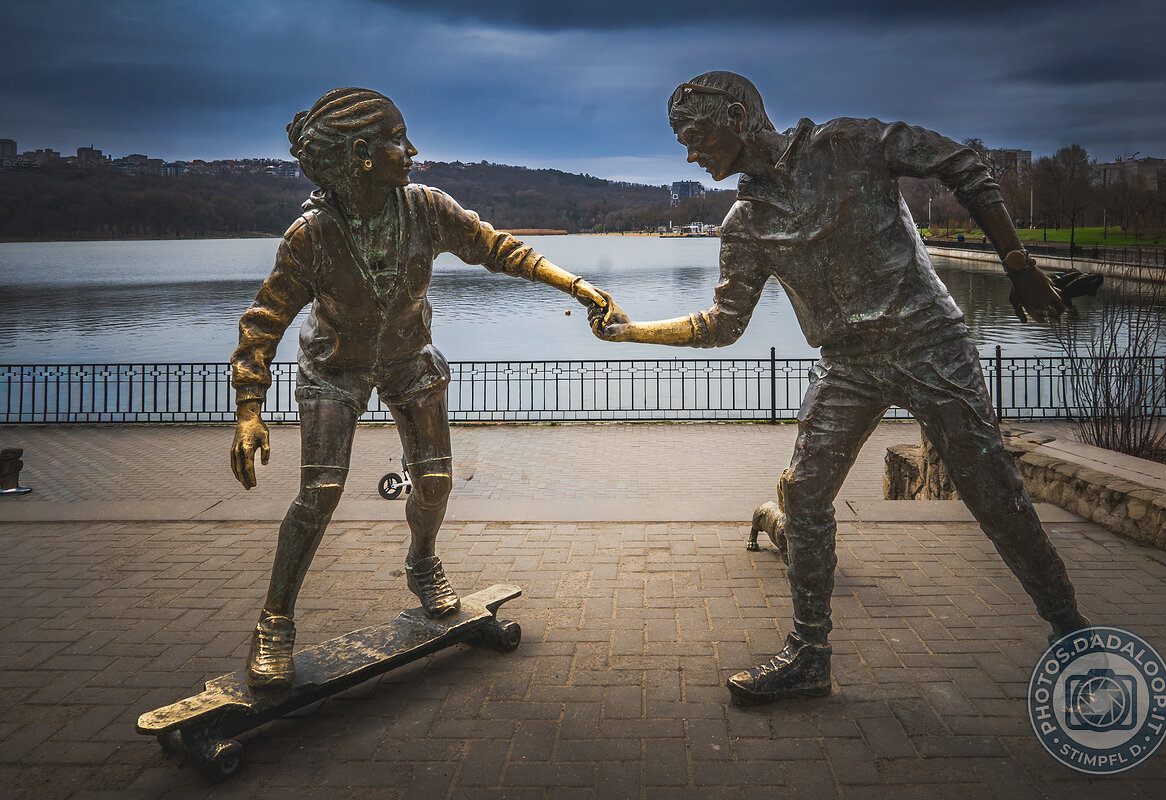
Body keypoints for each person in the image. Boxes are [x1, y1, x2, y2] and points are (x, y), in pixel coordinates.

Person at [589, 71, 1089, 704]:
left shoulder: (848, 145)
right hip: (847, 364)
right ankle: (809, 654)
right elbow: (723, 325)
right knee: (803, 492)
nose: (690, 153)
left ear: (739, 116)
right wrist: (635, 333)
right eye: (681, 140)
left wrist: (1019, 266)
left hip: (929, 343)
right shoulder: (744, 224)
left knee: (992, 490)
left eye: (696, 135)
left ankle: (1070, 628)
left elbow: (964, 164)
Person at [230, 87, 607, 689]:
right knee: (319, 495)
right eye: (398, 142)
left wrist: (576, 286)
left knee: (434, 481)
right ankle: (274, 623)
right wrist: (249, 409)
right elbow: (263, 322)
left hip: (409, 358)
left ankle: (422, 561)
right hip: (335, 366)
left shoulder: (425, 208)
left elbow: (497, 248)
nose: (412, 152)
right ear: (360, 154)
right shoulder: (312, 235)